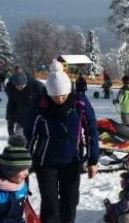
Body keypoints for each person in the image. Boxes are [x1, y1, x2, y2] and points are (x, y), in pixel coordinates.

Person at [28, 60, 99, 223]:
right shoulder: (41, 103)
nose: (59, 99)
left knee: (70, 202)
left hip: (72, 161)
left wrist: (93, 160)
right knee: (50, 205)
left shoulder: (79, 102)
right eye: (55, 95)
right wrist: (25, 161)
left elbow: (91, 130)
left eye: (63, 95)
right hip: (46, 162)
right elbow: (30, 133)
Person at [5, 67, 45, 137]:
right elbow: (11, 105)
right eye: (18, 87)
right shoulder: (10, 87)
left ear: (26, 82)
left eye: (22, 87)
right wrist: (10, 125)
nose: (20, 89)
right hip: (20, 120)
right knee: (19, 144)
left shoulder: (37, 86)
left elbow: (45, 103)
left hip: (35, 121)